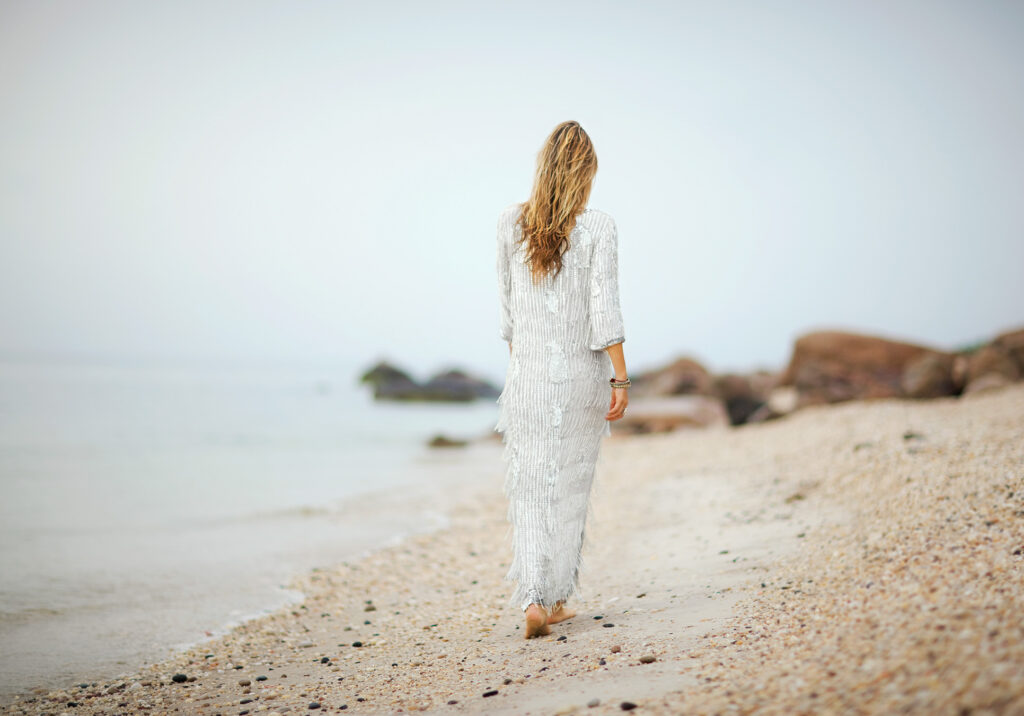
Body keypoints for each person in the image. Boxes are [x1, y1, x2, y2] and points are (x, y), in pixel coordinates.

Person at [494, 120, 629, 639]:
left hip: (525, 377)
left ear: (543, 168)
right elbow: (605, 312)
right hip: (579, 378)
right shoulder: (598, 227)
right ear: (586, 173)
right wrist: (621, 380)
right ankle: (552, 600)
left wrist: (524, 362)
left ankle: (533, 597)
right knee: (569, 488)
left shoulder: (510, 222)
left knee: (528, 489)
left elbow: (507, 314)